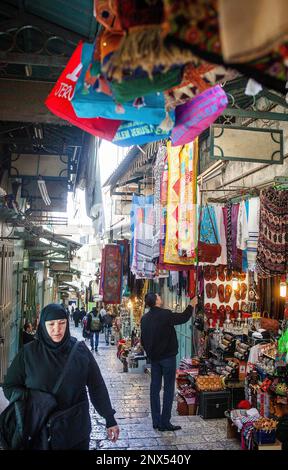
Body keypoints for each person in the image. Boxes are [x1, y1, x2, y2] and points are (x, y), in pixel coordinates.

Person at [2, 303, 119, 450]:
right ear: (42, 325)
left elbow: (97, 386)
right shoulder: (28, 354)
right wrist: (34, 400)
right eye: (51, 324)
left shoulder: (80, 352)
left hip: (75, 431)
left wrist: (109, 418)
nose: (57, 329)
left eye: (62, 323)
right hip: (40, 433)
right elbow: (9, 386)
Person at [140, 293, 198, 432]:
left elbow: (143, 339)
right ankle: (165, 422)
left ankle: (156, 421)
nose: (161, 297)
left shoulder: (145, 318)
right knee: (168, 389)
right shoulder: (165, 314)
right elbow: (183, 318)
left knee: (154, 389)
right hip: (167, 358)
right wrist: (191, 305)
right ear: (156, 301)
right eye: (159, 296)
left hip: (154, 359)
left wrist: (150, 353)